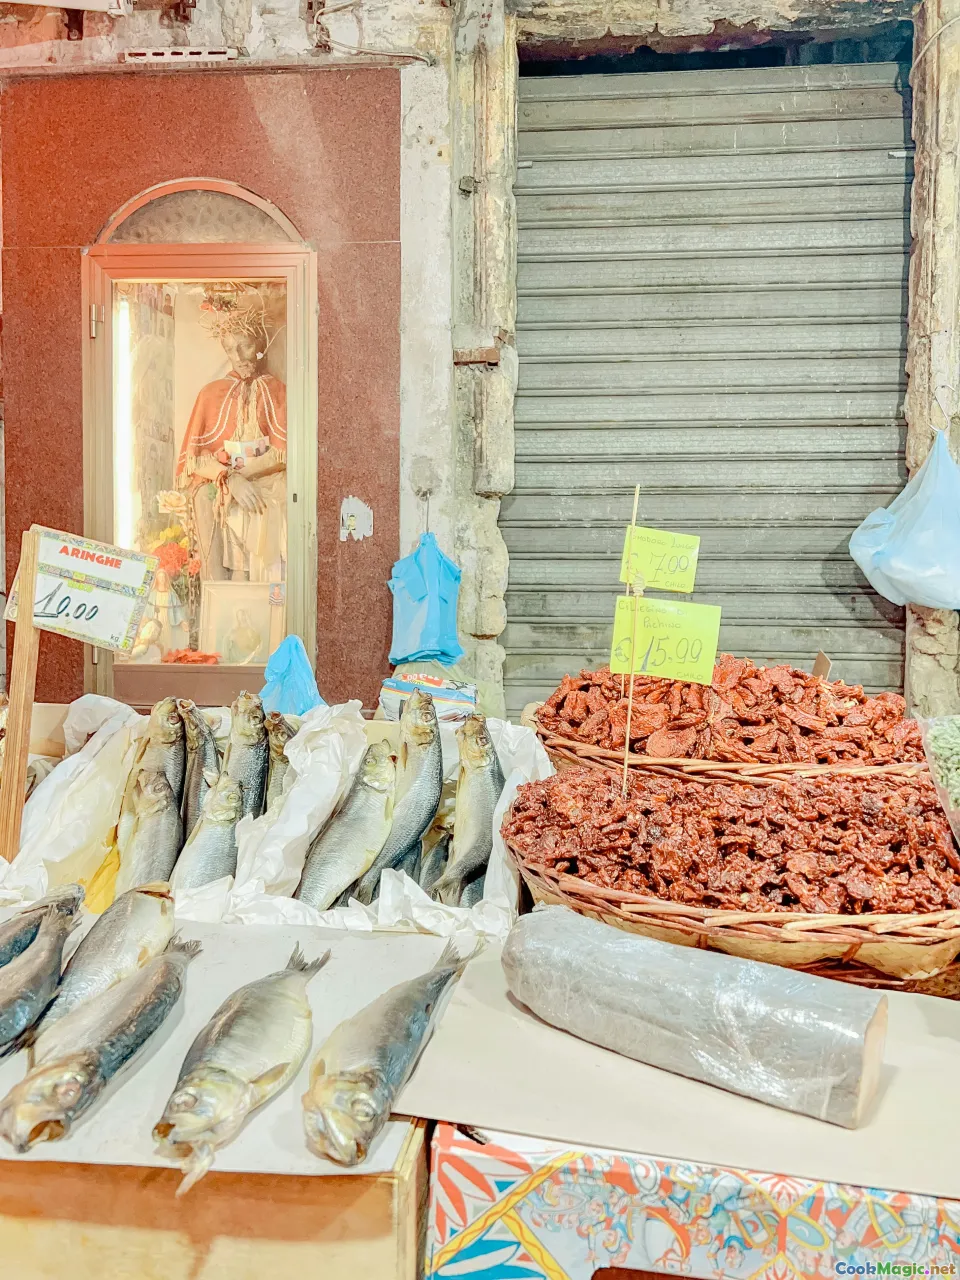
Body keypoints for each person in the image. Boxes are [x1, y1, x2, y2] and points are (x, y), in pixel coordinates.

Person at [176, 299, 287, 583]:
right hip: (223, 481)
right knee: (205, 498)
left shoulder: (276, 390)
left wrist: (243, 478)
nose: (238, 356)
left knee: (276, 501)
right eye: (230, 348)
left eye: (245, 346)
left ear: (260, 345)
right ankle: (218, 599)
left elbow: (283, 452)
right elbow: (195, 460)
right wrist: (230, 480)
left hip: (266, 480)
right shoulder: (211, 393)